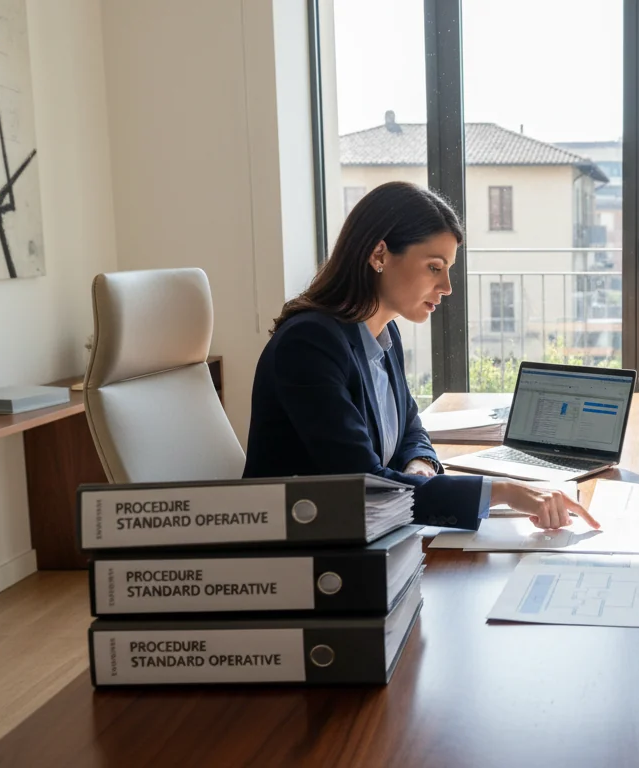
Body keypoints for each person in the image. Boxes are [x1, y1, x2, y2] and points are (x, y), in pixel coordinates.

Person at [244, 181, 598, 532]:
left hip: (365, 537)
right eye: (434, 267)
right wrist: (505, 491)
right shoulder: (310, 343)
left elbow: (410, 426)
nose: (446, 287)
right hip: (305, 554)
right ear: (379, 254)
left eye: (448, 269)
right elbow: (366, 485)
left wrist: (419, 462)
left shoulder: (382, 332)